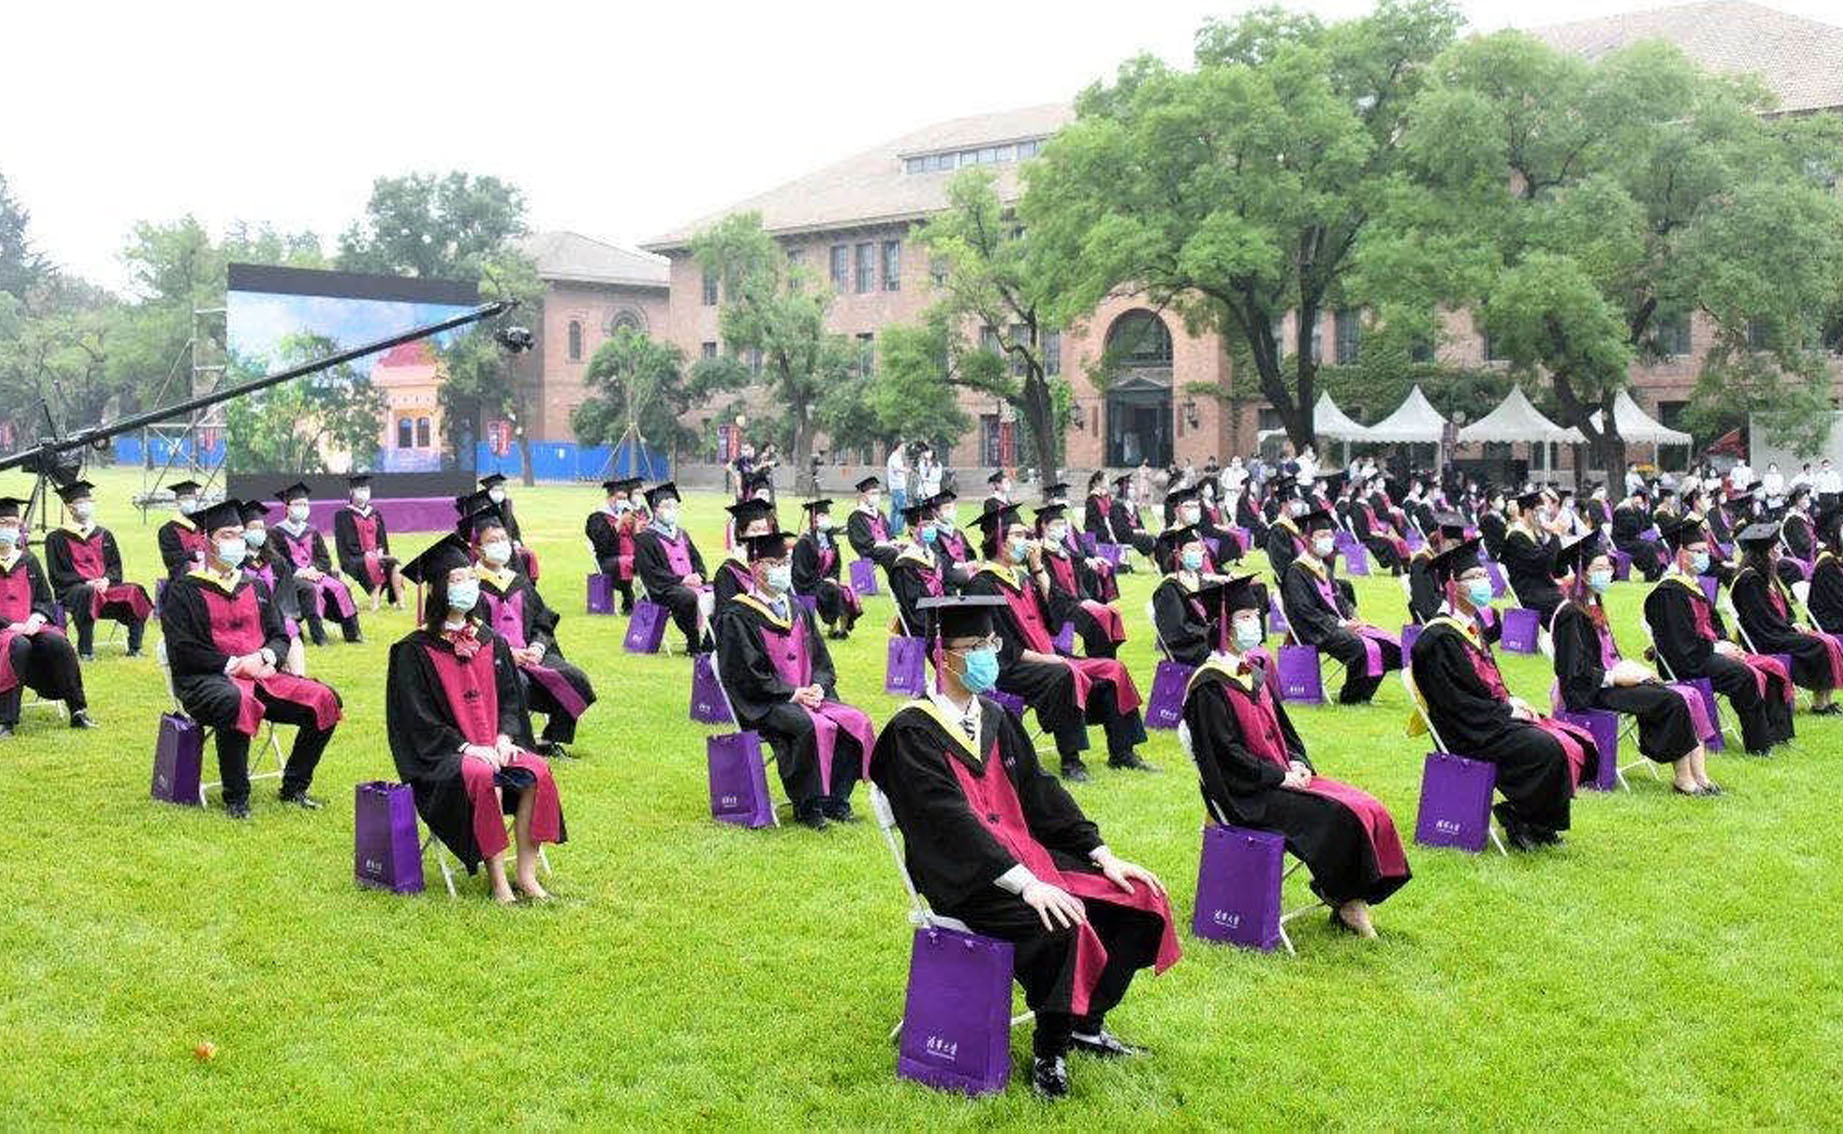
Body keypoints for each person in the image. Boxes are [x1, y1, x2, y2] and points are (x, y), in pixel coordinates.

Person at [869, 593, 1179, 1101]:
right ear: (943, 656)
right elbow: (949, 825)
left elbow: (1041, 793)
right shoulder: (911, 732)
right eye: (974, 646)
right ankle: (1049, 1053)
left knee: (1139, 899)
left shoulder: (996, 717)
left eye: (991, 643)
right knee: (1060, 921)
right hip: (966, 878)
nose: (987, 655)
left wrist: (1100, 854)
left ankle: (1085, 1022)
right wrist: (1027, 885)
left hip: (1027, 857)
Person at [1183, 575, 1411, 936]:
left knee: (1367, 805)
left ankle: (1350, 897)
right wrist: (1279, 777)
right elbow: (1225, 755)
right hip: (1246, 793)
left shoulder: (1251, 672)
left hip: (1280, 778)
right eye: (1244, 617)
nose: (1253, 623)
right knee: (1339, 814)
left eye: (1255, 615)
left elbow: (1285, 732)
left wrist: (1298, 762)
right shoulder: (1208, 685)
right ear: (1223, 624)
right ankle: (1346, 900)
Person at [387, 534, 564, 902]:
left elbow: (511, 700)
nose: (467, 585)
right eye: (457, 579)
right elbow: (417, 721)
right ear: (436, 589)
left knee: (538, 770)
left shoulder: (491, 640)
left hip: (494, 746)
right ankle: (498, 882)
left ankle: (526, 876)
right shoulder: (412, 651)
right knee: (482, 775)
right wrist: (467, 748)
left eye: (470, 577)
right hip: (443, 757)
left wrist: (505, 737)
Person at [1409, 539, 1596, 850]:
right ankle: (1521, 818)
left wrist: (1510, 702)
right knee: (1545, 748)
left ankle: (1540, 823)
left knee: (1569, 738)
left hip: (1487, 719)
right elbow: (1456, 703)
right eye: (1474, 577)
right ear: (1452, 586)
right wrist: (1506, 711)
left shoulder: (1468, 626)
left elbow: (1486, 683)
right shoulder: (1438, 638)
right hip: (1467, 731)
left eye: (1484, 574)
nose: (1484, 582)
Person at [163, 499, 341, 819]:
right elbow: (183, 648)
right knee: (236, 700)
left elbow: (280, 635)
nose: (236, 542)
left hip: (261, 676)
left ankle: (295, 786)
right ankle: (237, 797)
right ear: (206, 541)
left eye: (239, 535)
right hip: (206, 682)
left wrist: (266, 655)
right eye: (226, 535)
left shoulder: (255, 585)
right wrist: (233, 664)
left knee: (325, 699)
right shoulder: (183, 590)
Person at [961, 503, 1150, 781]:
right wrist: (1051, 659)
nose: (1026, 542)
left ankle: (1123, 752)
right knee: (1064, 673)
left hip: (1048, 655)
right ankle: (1071, 761)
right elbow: (1000, 646)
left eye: (1026, 535)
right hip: (1012, 666)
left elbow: (1056, 615)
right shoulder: (982, 585)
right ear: (997, 540)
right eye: (1017, 535)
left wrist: (1038, 568)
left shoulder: (1023, 577)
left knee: (1114, 669)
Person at [715, 530, 878, 829]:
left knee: (856, 720)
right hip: (765, 703)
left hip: (807, 697)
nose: (782, 569)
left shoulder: (798, 608)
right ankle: (808, 804)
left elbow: (821, 660)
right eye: (774, 563)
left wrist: (818, 686)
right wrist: (792, 693)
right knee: (810, 726)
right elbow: (745, 675)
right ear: (755, 567)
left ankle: (836, 798)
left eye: (785, 563)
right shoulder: (737, 615)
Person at [1549, 537, 1720, 795]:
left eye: (1608, 567)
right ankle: (1683, 780)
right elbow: (1573, 670)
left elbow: (1607, 655)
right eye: (1598, 568)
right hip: (1587, 690)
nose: (1606, 573)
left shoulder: (1593, 603)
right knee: (1670, 701)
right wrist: (1615, 678)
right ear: (1583, 574)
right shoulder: (1571, 613)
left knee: (1678, 695)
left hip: (1606, 682)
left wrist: (1634, 672)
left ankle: (1699, 777)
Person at [1642, 518, 1795, 755]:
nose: (1705, 556)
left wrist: (1724, 643)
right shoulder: (1668, 591)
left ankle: (1778, 734)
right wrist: (1717, 649)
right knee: (1743, 675)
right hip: (1687, 661)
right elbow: (1680, 645)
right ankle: (1759, 744)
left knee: (1771, 666)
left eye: (1705, 551)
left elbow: (1715, 624)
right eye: (1699, 551)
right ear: (1681, 553)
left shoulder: (1692, 584)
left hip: (1705, 652)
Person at [465, 503, 599, 754]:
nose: (500, 544)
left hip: (531, 654)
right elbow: (472, 629)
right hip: (495, 659)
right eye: (492, 541)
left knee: (574, 677)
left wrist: (537, 647)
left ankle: (551, 739)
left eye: (503, 538)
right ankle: (515, 743)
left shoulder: (518, 581)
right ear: (478, 548)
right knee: (520, 683)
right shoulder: (470, 586)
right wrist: (507, 653)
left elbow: (542, 621)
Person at [1280, 510, 1402, 704]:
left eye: (1330, 535)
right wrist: (1342, 624)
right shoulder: (1296, 571)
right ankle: (1351, 697)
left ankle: (1364, 695)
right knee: (1360, 646)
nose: (1328, 540)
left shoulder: (1324, 568)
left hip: (1334, 626)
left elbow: (1340, 600)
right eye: (1322, 535)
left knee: (1385, 643)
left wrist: (1352, 618)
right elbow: (1304, 610)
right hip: (1313, 630)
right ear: (1307, 539)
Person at [0, 497, 93, 737]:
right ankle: (6, 720)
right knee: (17, 645)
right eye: (2, 523)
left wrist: (37, 617)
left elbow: (44, 598)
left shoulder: (28, 560)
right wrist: (11, 625)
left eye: (13, 524)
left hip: (30, 626)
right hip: (4, 631)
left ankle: (78, 710)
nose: (8, 529)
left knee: (57, 642)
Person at [1729, 521, 1841, 713]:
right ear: (1767, 551)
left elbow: (1786, 611)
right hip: (1764, 637)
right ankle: (1820, 704)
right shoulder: (1749, 580)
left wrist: (1793, 623)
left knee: (1828, 640)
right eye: (1776, 547)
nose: (1779, 551)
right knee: (1818, 645)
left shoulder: (1767, 574)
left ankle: (1827, 700)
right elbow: (1762, 620)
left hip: (1777, 630)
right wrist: (1788, 629)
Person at [41, 480, 150, 659]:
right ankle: (86, 651)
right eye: (81, 502)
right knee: (87, 592)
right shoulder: (56, 538)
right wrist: (88, 582)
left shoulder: (104, 534)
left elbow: (115, 566)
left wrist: (106, 580)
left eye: (89, 501)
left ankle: (135, 648)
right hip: (74, 591)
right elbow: (57, 574)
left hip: (105, 588)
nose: (87, 506)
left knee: (135, 590)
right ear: (70, 508)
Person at [267, 483, 362, 645]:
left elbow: (324, 558)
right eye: (298, 504)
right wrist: (299, 572)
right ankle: (319, 636)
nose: (302, 508)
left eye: (305, 504)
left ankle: (353, 633)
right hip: (292, 577)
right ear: (287, 507)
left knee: (341, 587)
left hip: (315, 573)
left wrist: (314, 569)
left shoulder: (312, 531)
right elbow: (276, 560)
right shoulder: (275, 532)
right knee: (312, 590)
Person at [1033, 504, 1125, 659]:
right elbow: (1051, 587)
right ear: (1044, 525)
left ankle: (1107, 660)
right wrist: (1080, 602)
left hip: (1076, 601)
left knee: (1111, 613)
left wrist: (1085, 598)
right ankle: (1100, 661)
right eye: (1057, 525)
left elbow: (1078, 573)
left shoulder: (1062, 549)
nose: (1062, 528)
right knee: (1098, 620)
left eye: (1062, 524)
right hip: (1058, 605)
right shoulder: (1039, 553)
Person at [632, 482, 713, 654]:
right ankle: (693, 642)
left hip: (689, 584)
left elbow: (697, 560)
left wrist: (699, 575)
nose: (672, 510)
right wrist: (682, 580)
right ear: (655, 510)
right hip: (663, 589)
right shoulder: (645, 538)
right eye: (666, 506)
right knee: (687, 597)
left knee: (721, 592)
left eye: (674, 506)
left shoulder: (682, 534)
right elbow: (650, 572)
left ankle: (709, 642)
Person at [236, 500, 306, 677]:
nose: (259, 532)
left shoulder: (276, 561)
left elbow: (285, 594)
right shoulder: (236, 562)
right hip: (247, 614)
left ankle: (299, 676)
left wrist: (279, 615)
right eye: (253, 528)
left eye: (261, 528)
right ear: (242, 531)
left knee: (289, 626)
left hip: (275, 614)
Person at [331, 474, 403, 612]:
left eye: (366, 489)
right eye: (360, 489)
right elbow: (346, 543)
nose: (363, 492)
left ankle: (400, 602)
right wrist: (368, 554)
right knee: (372, 562)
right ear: (351, 492)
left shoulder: (375, 513)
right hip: (353, 557)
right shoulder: (342, 515)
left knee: (394, 564)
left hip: (375, 555)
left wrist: (380, 550)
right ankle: (374, 604)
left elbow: (381, 538)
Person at [792, 499, 862, 640]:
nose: (826, 519)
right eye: (821, 516)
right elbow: (801, 572)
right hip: (807, 584)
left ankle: (842, 628)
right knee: (832, 590)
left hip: (826, 582)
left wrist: (833, 578)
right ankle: (833, 627)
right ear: (813, 519)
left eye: (827, 515)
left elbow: (836, 566)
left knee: (847, 591)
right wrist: (823, 581)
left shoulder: (830, 541)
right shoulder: (804, 542)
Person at [1501, 488, 1565, 624]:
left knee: (1579, 600)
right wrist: (1554, 535)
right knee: (1568, 609)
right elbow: (1542, 564)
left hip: (1544, 588)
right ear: (1528, 512)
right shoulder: (1516, 536)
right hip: (1529, 593)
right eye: (1539, 511)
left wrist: (1550, 536)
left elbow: (1559, 569)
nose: (1542, 516)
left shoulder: (1535, 533)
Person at [585, 476, 645, 615]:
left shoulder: (628, 515)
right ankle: (629, 601)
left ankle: (648, 601)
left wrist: (636, 526)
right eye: (619, 498)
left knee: (650, 561)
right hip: (607, 560)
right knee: (630, 562)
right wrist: (620, 522)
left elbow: (638, 541)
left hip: (630, 558)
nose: (623, 501)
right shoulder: (597, 517)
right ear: (610, 498)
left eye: (625, 498)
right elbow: (603, 544)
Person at [887, 500, 948, 636]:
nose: (930, 528)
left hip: (942, 618)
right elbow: (913, 606)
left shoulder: (935, 558)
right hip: (921, 627)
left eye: (932, 524)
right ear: (912, 529)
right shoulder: (905, 565)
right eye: (925, 525)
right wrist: (937, 626)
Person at [712, 499, 777, 608]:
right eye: (755, 530)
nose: (761, 535)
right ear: (741, 533)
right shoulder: (728, 572)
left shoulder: (775, 564)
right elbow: (726, 613)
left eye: (764, 530)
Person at [479, 473, 539, 580]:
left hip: (509, 545)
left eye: (500, 489)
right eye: (495, 490)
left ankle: (529, 584)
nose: (498, 493)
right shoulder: (482, 509)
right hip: (492, 547)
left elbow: (515, 529)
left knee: (529, 555)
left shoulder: (506, 507)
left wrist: (517, 541)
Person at [156, 479, 210, 579]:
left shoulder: (204, 525)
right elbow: (171, 559)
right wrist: (194, 555)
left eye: (192, 498)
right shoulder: (168, 530)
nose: (189, 501)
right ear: (177, 502)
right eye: (185, 498)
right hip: (182, 581)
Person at [1612, 485, 1667, 583]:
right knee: (1647, 546)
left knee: (1655, 544)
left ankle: (1658, 567)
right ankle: (1652, 572)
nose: (1639, 504)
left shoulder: (1634, 510)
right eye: (1637, 503)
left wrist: (1640, 512)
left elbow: (1642, 525)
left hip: (1631, 540)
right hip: (1622, 542)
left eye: (1640, 503)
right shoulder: (1623, 510)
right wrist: (1640, 512)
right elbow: (1632, 528)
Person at [845, 475, 900, 571]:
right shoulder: (856, 516)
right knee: (892, 553)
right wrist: (885, 544)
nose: (876, 496)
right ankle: (896, 578)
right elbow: (863, 543)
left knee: (907, 552)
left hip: (886, 547)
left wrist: (894, 541)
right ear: (863, 496)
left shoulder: (880, 513)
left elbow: (889, 532)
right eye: (872, 493)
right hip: (870, 551)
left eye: (877, 493)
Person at [1808, 506, 1843, 633]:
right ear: (1834, 533)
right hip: (1831, 620)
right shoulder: (1827, 564)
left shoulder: (1838, 556)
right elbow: (1839, 601)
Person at [885, 442, 910, 537]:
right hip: (898, 487)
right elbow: (896, 468)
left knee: (894, 510)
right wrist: (906, 470)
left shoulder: (895, 457)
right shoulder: (895, 457)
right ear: (899, 446)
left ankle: (892, 529)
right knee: (901, 509)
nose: (904, 448)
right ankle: (898, 530)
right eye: (903, 446)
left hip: (895, 487)